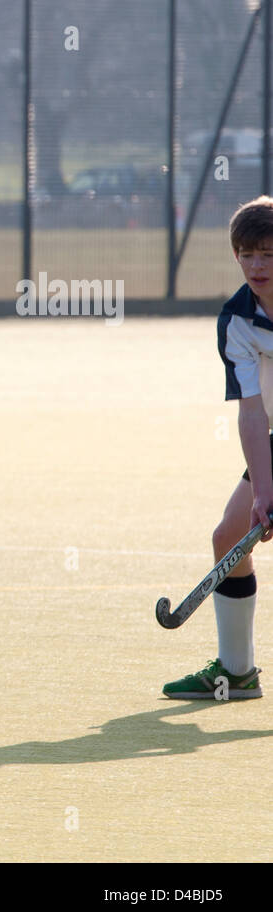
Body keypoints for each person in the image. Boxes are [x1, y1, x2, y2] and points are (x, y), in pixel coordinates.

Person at [165, 195, 273, 700]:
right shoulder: (237, 319)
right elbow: (251, 411)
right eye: (247, 254)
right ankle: (237, 671)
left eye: (269, 254)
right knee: (229, 537)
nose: (257, 266)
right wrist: (263, 494)